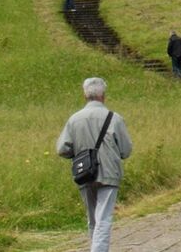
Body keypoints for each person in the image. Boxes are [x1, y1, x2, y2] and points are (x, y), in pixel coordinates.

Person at [56, 77, 132, 252]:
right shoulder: (114, 118)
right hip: (109, 173)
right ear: (103, 96)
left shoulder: (74, 119)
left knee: (93, 220)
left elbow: (62, 149)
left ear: (85, 95)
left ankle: (96, 248)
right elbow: (126, 150)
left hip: (85, 173)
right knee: (104, 218)